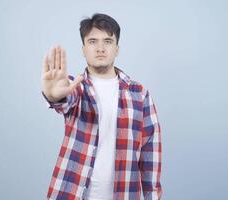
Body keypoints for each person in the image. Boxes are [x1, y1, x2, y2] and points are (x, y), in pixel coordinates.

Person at [41, 13, 162, 200]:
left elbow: (150, 152)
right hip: (73, 192)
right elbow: (65, 101)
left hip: (125, 193)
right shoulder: (75, 87)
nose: (100, 48)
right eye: (92, 42)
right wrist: (53, 96)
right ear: (83, 49)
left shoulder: (139, 93)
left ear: (117, 49)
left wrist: (152, 196)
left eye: (107, 41)